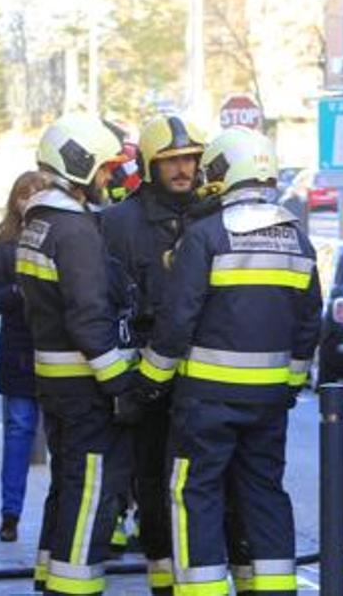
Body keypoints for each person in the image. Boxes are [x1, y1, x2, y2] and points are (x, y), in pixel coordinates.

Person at [142, 127, 322, 596]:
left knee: (194, 493)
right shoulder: (298, 241)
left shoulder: (206, 236)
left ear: (223, 173)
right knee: (264, 493)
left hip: (205, 401)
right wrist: (289, 384)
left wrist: (151, 378)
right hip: (267, 402)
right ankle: (277, 588)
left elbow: (178, 318)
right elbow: (308, 324)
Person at [18, 113, 143, 595]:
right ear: (81, 165)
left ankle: (51, 576)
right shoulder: (74, 232)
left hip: (56, 382)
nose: (111, 178)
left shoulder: (40, 221)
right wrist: (121, 385)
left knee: (68, 484)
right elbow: (88, 319)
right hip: (85, 386)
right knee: (92, 490)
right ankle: (71, 587)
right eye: (107, 169)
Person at [99, 113, 205, 591]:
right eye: (171, 161)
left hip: (206, 379)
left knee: (203, 486)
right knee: (153, 483)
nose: (182, 169)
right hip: (146, 379)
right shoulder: (119, 223)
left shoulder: (212, 214)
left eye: (189, 159)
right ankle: (162, 578)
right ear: (148, 164)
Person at [0, 170, 52, 543]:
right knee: (19, 432)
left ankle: (60, 515)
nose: (30, 200)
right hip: (20, 354)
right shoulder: (5, 244)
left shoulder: (64, 234)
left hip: (59, 353)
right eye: (24, 194)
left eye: (38, 192)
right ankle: (11, 513)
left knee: (65, 441)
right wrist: (21, 291)